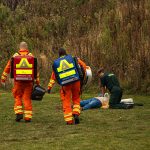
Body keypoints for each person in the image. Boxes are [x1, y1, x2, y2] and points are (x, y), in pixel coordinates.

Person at [1, 42, 40, 122]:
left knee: (17, 96)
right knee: (27, 98)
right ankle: (28, 117)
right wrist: (37, 82)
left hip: (18, 82)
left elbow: (8, 67)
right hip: (29, 82)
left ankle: (19, 113)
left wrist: (3, 79)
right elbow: (35, 70)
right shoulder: (31, 56)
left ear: (20, 48)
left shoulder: (15, 56)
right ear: (27, 48)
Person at [47, 48, 86, 125]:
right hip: (76, 81)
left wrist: (49, 87)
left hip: (65, 83)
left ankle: (69, 120)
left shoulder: (57, 63)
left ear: (59, 55)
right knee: (76, 98)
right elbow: (83, 66)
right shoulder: (72, 58)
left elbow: (54, 76)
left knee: (66, 100)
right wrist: (82, 78)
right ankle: (76, 113)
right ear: (66, 53)